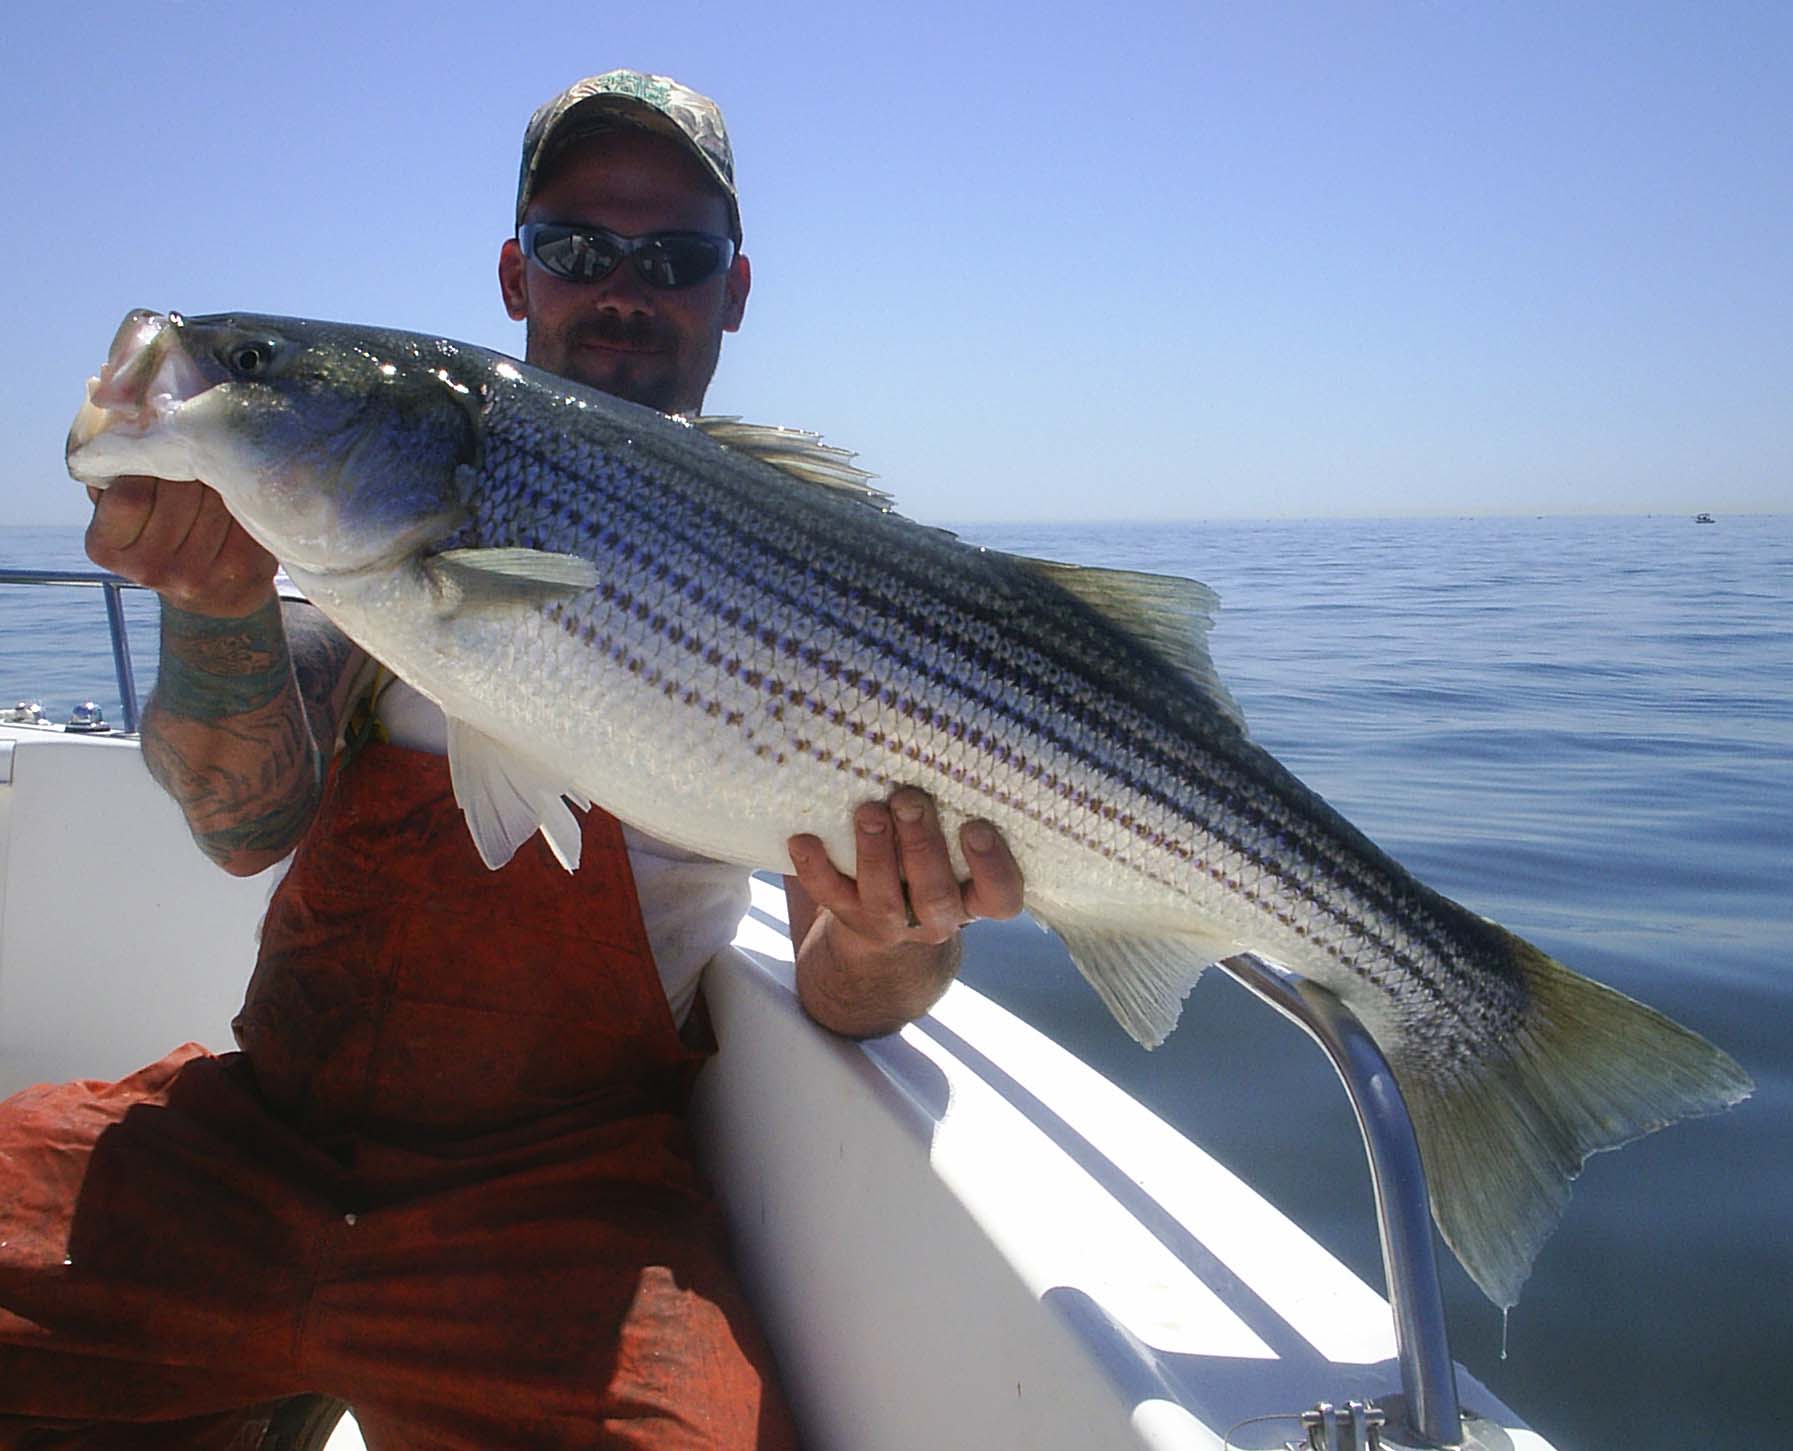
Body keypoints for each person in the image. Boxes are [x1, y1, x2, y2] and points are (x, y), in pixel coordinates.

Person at [0, 70, 1023, 1449]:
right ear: (513, 272)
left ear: (733, 290)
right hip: (257, 1140)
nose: (622, 288)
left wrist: (897, 934)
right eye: (576, 247)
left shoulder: (807, 585)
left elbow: (846, 1002)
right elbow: (241, 826)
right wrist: (213, 605)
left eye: (675, 257)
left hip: (564, 1200)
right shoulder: (364, 561)